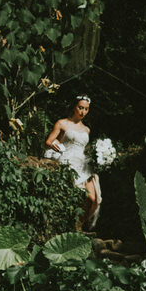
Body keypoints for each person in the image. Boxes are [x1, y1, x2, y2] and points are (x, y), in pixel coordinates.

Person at [44, 94, 102, 232]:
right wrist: (54, 145)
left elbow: (84, 148)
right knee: (79, 197)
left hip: (83, 163)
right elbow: (47, 141)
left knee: (94, 198)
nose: (83, 112)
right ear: (74, 107)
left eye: (86, 109)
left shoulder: (86, 129)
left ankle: (80, 226)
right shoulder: (62, 123)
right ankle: (75, 227)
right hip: (67, 160)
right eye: (80, 108)